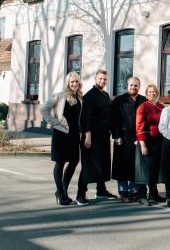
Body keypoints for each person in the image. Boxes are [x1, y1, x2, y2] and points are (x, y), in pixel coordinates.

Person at [40, 71, 83, 206]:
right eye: (72, 82)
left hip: (74, 134)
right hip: (61, 134)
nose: (74, 84)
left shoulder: (81, 98)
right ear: (68, 84)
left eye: (76, 81)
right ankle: (60, 192)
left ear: (79, 83)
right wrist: (55, 123)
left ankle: (63, 190)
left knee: (74, 161)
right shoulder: (60, 96)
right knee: (60, 162)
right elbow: (44, 109)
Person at [77, 69, 116, 205]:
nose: (102, 81)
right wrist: (87, 135)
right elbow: (85, 117)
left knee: (103, 163)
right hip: (91, 136)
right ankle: (80, 194)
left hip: (104, 136)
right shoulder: (89, 96)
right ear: (95, 79)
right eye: (100, 79)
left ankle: (101, 190)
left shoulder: (105, 95)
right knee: (89, 165)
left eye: (105, 79)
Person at [111, 77, 147, 203]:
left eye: (136, 85)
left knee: (134, 166)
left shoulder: (143, 100)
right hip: (122, 137)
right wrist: (116, 136)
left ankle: (133, 191)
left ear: (139, 86)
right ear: (127, 86)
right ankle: (123, 191)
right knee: (121, 166)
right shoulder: (119, 101)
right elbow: (114, 120)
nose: (133, 87)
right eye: (131, 85)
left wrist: (142, 137)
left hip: (137, 138)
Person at [135, 84, 166, 205]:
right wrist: (142, 144)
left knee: (154, 169)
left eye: (154, 92)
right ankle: (141, 195)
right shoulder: (143, 107)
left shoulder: (161, 107)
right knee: (143, 169)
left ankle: (153, 194)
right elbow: (139, 126)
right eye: (150, 92)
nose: (152, 94)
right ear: (147, 94)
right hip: (146, 140)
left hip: (158, 141)